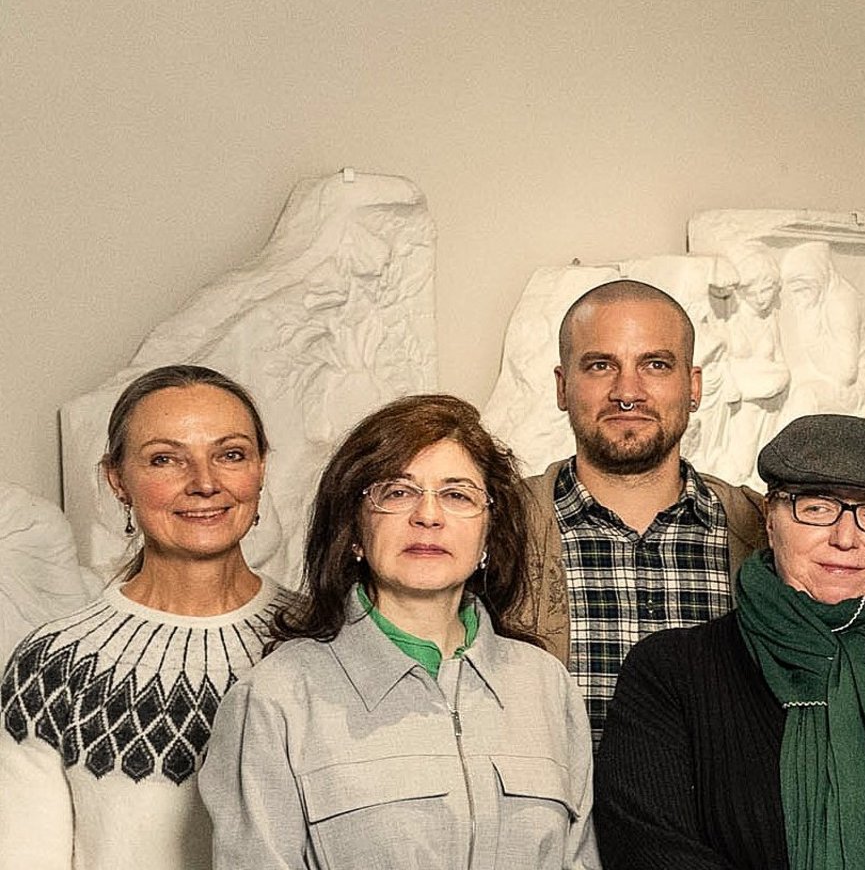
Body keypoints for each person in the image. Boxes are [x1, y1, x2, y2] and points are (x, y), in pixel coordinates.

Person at [201, 394, 594, 869]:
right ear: (353, 530)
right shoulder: (275, 698)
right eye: (397, 492)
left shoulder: (546, 685)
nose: (428, 516)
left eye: (457, 495)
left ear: (489, 535)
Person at [597, 415, 865, 869]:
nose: (845, 538)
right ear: (770, 518)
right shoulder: (672, 672)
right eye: (818, 508)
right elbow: (647, 846)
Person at [0, 367, 288, 870]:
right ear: (118, 481)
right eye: (165, 460)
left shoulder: (324, 638)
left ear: (261, 468)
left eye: (231, 454)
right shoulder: (54, 668)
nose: (204, 482)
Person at [519, 279, 759, 726]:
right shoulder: (499, 526)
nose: (627, 391)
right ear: (562, 386)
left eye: (655, 364)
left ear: (693, 386)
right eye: (599, 365)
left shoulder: (763, 532)